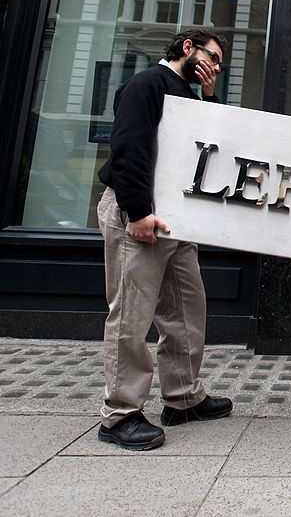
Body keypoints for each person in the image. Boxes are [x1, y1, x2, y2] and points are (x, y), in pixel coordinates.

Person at [96, 29, 234, 450]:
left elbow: (211, 146)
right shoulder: (147, 85)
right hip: (140, 213)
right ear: (188, 48)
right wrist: (137, 212)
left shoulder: (186, 94)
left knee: (187, 308)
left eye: (220, 64)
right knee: (131, 314)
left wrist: (209, 96)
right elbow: (129, 147)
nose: (215, 67)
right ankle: (119, 415)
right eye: (212, 57)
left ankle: (183, 398)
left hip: (175, 218)